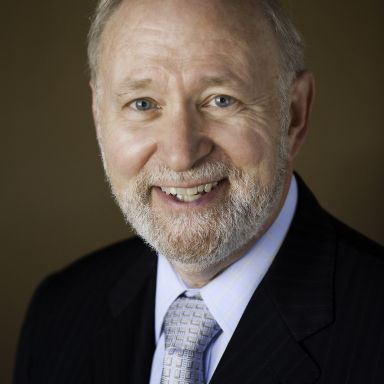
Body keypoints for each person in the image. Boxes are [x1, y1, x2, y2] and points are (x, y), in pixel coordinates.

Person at [14, 0, 384, 383]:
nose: (180, 155)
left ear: (294, 114)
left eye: (221, 99)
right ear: (98, 117)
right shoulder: (58, 312)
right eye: (142, 104)